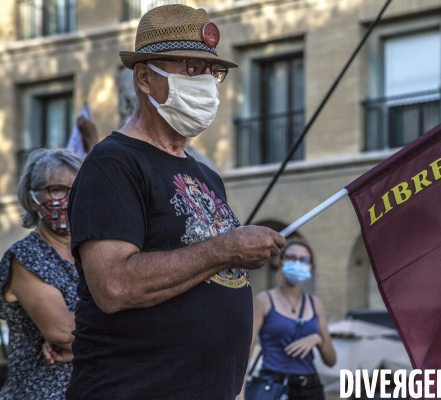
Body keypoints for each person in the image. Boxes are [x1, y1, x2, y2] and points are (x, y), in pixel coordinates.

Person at [66, 4, 285, 399]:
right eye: (189, 68)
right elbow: (113, 284)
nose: (206, 83)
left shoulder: (207, 175)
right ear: (146, 78)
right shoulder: (113, 163)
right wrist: (227, 247)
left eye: (211, 71)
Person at [0, 148, 82, 399]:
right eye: (57, 189)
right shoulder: (25, 256)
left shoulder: (91, 254)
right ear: (33, 198)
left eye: (77, 188)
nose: (69, 199)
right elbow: (64, 332)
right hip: (42, 392)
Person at [243, 240, 336, 400]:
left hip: (311, 388)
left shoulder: (315, 304)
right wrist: (240, 394)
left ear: (311, 267)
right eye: (291, 257)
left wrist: (318, 339)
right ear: (280, 263)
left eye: (303, 259)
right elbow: (245, 352)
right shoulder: (264, 300)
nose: (297, 263)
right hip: (273, 386)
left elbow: (331, 360)